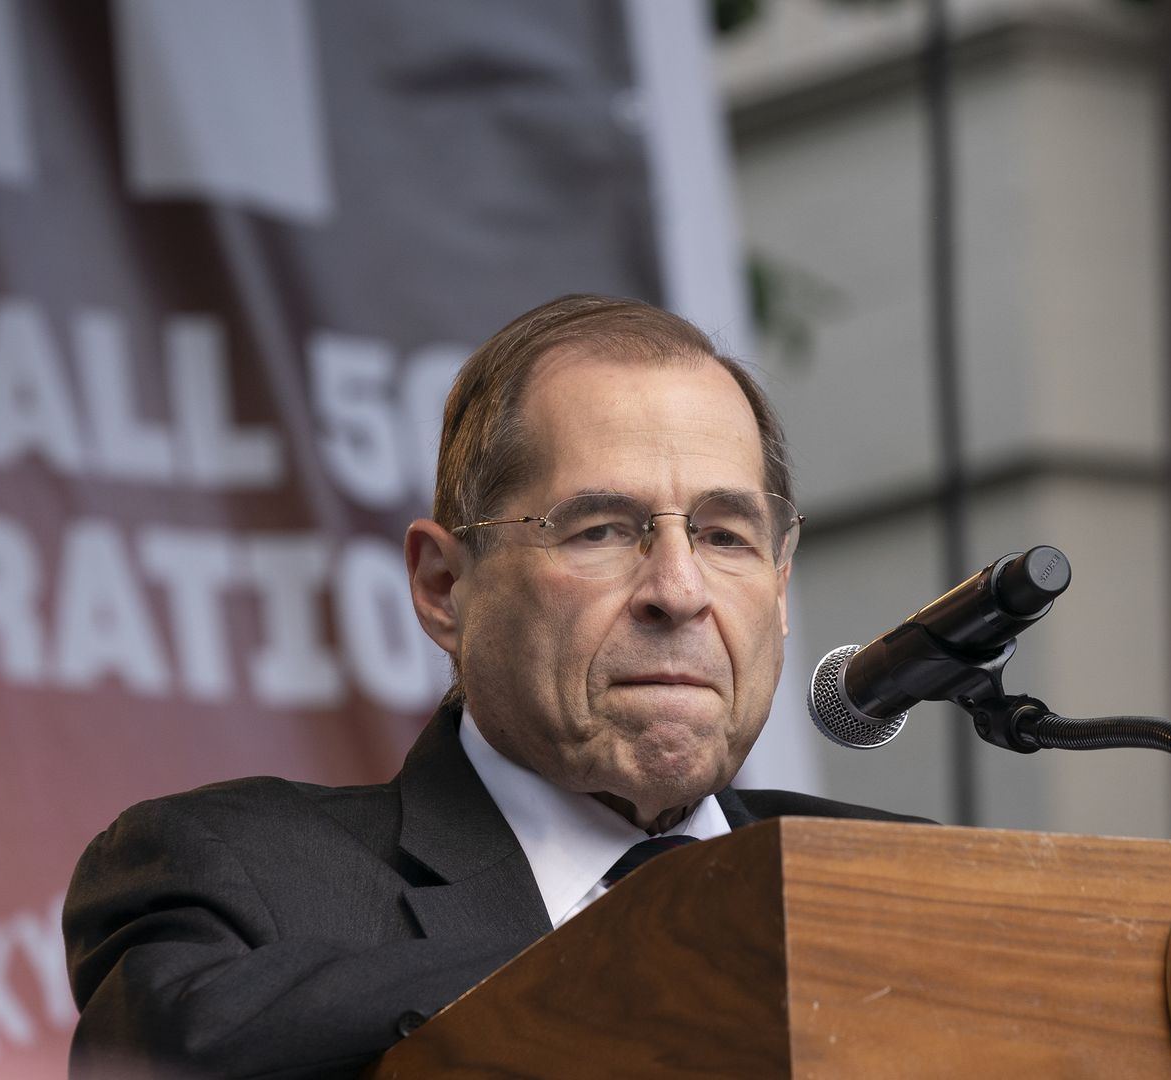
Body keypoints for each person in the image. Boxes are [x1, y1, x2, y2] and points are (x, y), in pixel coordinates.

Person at [63, 295, 923, 1078]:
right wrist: (657, 958)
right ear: (445, 587)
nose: (679, 589)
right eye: (600, 529)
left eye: (725, 536)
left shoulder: (897, 890)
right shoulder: (241, 872)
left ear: (779, 587)